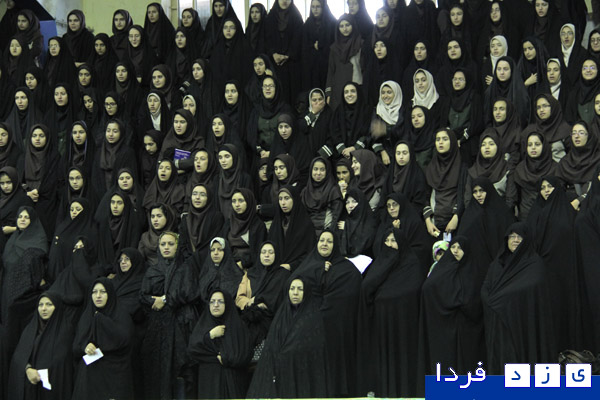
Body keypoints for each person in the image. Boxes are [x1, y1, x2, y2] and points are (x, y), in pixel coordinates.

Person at [357, 228, 425, 398]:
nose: (389, 245)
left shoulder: (412, 264)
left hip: (403, 327)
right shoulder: (379, 264)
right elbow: (366, 289)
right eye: (386, 241)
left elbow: (411, 291)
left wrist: (386, 297)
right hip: (381, 327)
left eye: (393, 241)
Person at [292, 230, 362, 397]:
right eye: (321, 240)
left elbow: (345, 299)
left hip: (335, 331)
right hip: (307, 329)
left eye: (329, 241)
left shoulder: (347, 270)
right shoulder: (309, 264)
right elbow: (291, 286)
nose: (324, 244)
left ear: (335, 245)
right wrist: (315, 270)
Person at [481, 222, 556, 374]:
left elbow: (531, 286)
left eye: (519, 237)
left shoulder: (534, 263)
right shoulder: (497, 263)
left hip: (522, 324)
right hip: (499, 323)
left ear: (526, 240)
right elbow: (486, 286)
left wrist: (499, 299)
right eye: (512, 236)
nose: (515, 240)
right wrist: (489, 300)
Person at [140, 231, 200, 400]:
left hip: (181, 325)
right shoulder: (152, 270)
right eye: (163, 244)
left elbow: (189, 292)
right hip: (157, 327)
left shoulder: (186, 267)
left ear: (178, 246)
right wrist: (155, 300)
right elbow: (143, 296)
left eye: (171, 244)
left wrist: (165, 299)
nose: (166, 247)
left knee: (181, 370)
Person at [246, 277, 329, 398]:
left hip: (302, 373)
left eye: (300, 289)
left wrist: (290, 352)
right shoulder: (281, 316)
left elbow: (315, 348)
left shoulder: (313, 318)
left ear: (306, 292)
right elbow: (271, 345)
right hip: (281, 374)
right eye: (292, 288)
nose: (295, 293)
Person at [71, 278, 134, 400]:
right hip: (91, 375)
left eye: (103, 292)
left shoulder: (121, 315)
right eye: (94, 292)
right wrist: (85, 346)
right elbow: (76, 346)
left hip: (116, 374)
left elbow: (124, 340)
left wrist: (101, 321)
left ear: (110, 293)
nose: (98, 296)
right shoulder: (87, 316)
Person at [8, 292, 75, 400]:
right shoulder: (30, 330)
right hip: (31, 389)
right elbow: (18, 357)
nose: (44, 308)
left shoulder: (66, 332)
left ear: (57, 306)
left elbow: (64, 364)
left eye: (49, 304)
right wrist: (28, 369)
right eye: (40, 305)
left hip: (53, 391)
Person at [187, 290, 252, 399]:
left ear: (227, 304)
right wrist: (210, 336)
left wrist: (226, 358)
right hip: (209, 382)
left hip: (233, 381)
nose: (216, 305)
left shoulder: (238, 327)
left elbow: (245, 354)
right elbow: (193, 350)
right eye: (212, 302)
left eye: (220, 301)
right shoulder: (202, 326)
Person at [236, 241, 290, 347]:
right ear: (259, 255)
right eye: (263, 252)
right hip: (250, 315)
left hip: (273, 319)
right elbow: (239, 298)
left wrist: (264, 302)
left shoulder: (283, 275)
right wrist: (251, 303)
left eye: (270, 252)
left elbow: (281, 299)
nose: (267, 255)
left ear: (276, 254)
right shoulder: (250, 273)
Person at [268, 186, 316, 271]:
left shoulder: (305, 224)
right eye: (280, 199)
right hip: (276, 268)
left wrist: (291, 266)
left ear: (294, 199)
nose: (283, 203)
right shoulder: (276, 223)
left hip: (298, 270)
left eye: (287, 198)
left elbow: (310, 254)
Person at [325, 14, 365, 110]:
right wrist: (328, 93)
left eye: (347, 25)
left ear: (353, 25)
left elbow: (364, 68)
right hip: (338, 88)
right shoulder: (334, 48)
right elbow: (331, 71)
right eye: (341, 26)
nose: (345, 29)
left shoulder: (360, 44)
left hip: (356, 86)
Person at [222, 188, 267, 269]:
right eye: (234, 201)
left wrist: (243, 263)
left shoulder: (258, 225)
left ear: (249, 202)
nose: (237, 205)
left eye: (241, 200)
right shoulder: (229, 223)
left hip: (250, 267)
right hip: (229, 264)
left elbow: (258, 252)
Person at [301, 157, 343, 233]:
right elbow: (302, 216)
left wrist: (328, 234)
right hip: (307, 232)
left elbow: (335, 217)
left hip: (327, 232)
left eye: (322, 170)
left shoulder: (333, 191)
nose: (318, 173)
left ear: (327, 171)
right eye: (315, 169)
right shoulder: (305, 191)